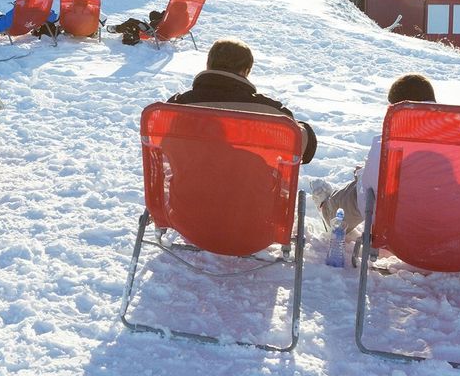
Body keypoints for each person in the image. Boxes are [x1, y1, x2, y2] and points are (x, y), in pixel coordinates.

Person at [310, 74, 436, 232]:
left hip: (400, 228)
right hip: (443, 222)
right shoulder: (454, 143)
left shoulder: (388, 144)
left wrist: (362, 174)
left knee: (363, 190)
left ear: (397, 110)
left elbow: (373, 186)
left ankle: (331, 213)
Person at [167, 38, 317, 164]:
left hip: (186, 196)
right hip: (256, 198)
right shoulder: (272, 112)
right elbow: (305, 149)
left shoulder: (177, 106)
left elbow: (163, 148)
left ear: (209, 65)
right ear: (245, 71)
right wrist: (303, 127)